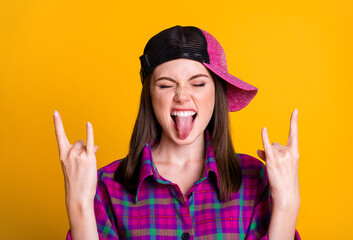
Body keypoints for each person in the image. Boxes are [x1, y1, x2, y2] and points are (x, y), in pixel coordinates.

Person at [54, 25, 301, 240]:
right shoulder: (107, 186)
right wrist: (78, 202)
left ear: (217, 93)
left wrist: (287, 202)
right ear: (149, 96)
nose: (182, 95)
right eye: (165, 85)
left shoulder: (254, 179)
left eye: (198, 83)